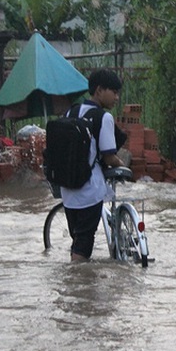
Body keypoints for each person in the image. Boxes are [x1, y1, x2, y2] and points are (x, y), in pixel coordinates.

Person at [61, 69, 125, 262]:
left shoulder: (70, 111)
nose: (117, 97)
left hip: (68, 189)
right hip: (90, 191)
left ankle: (72, 286)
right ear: (99, 90)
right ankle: (78, 286)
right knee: (84, 244)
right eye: (113, 91)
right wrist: (123, 165)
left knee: (77, 239)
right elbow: (109, 157)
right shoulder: (102, 117)